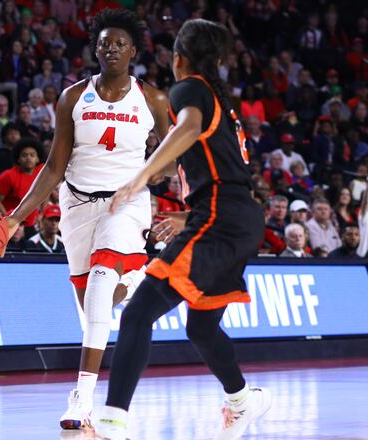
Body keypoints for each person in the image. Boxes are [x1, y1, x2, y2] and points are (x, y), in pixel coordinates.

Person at [93, 19, 269, 440]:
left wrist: (138, 178)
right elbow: (205, 162)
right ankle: (244, 401)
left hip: (221, 219)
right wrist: (184, 210)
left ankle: (113, 421)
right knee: (201, 327)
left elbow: (187, 129)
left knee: (137, 314)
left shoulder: (189, 88)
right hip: (236, 218)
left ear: (178, 57)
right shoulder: (220, 101)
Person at [2, 10, 170, 431]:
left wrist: (149, 176)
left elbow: (172, 158)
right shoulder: (73, 97)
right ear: (95, 49)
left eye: (120, 43)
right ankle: (138, 278)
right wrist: (13, 220)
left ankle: (82, 396)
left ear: (133, 51)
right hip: (76, 203)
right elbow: (54, 166)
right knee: (91, 302)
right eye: (104, 43)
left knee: (98, 288)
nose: (111, 48)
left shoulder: (153, 99)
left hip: (126, 203)